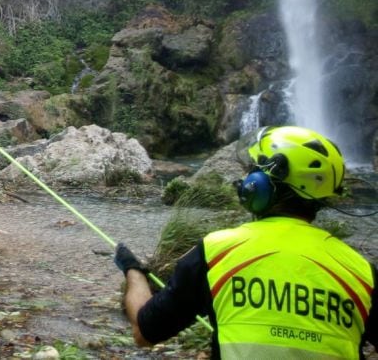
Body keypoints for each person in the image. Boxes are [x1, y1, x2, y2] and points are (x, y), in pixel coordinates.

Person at [114, 125, 378, 359]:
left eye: (252, 170)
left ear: (259, 185)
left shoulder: (216, 252)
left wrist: (133, 271)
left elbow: (143, 332)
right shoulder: (362, 272)